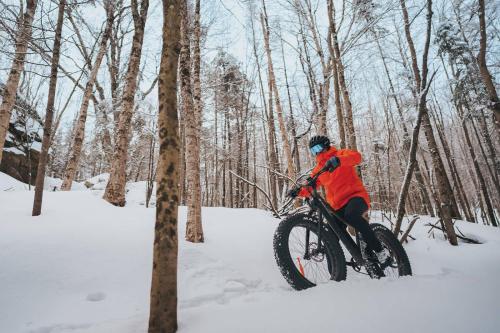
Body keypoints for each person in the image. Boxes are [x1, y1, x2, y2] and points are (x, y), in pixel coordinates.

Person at [290, 135, 390, 265]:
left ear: (326, 145)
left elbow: (357, 157)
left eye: (318, 148)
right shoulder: (318, 170)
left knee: (352, 215)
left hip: (356, 197)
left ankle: (380, 250)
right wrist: (298, 192)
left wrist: (338, 160)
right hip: (337, 207)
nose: (317, 152)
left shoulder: (341, 154)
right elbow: (311, 186)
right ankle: (337, 270)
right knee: (331, 234)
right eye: (313, 150)